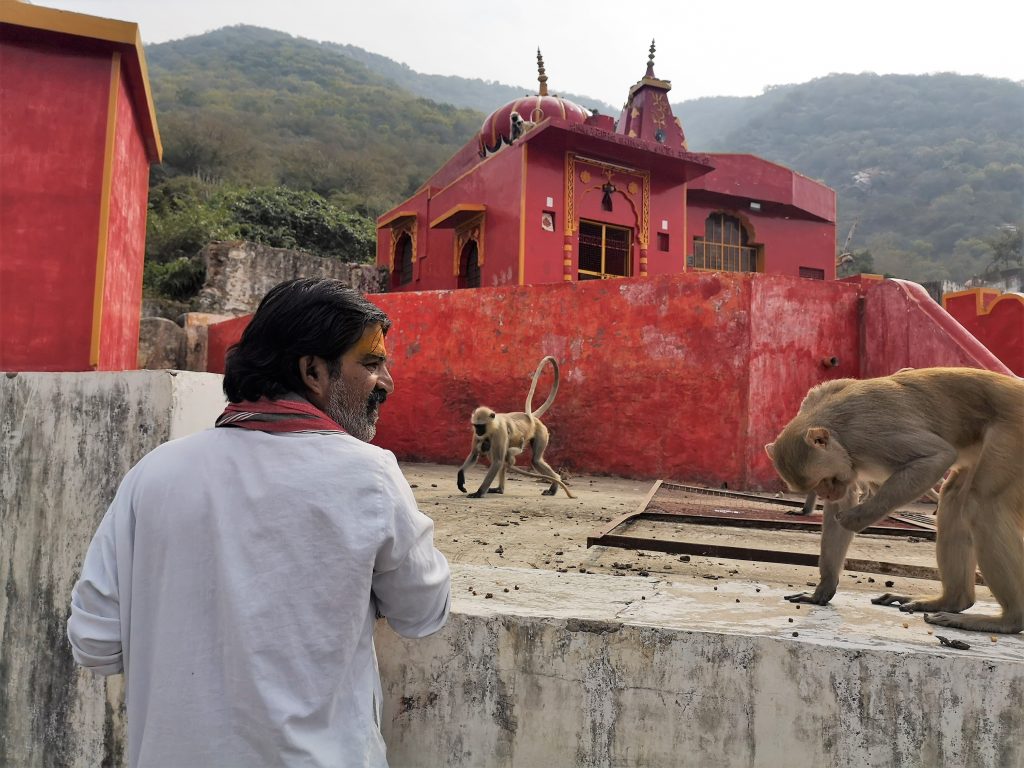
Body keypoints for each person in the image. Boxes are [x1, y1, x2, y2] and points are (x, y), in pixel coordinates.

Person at [67, 278, 451, 767]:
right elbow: (422, 613)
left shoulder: (154, 472)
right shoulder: (369, 474)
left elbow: (96, 644)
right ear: (313, 370)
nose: (386, 382)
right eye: (372, 364)